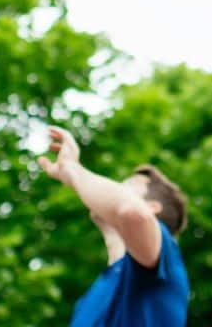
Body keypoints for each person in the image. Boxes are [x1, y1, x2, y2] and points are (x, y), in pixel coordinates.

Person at [38, 126, 190, 326]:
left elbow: (132, 212)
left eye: (128, 185)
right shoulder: (101, 288)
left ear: (151, 208)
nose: (117, 186)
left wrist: (72, 169)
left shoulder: (165, 260)